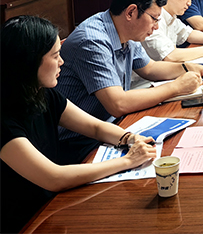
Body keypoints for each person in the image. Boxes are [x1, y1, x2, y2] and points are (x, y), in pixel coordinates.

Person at [1, 16, 157, 233]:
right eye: (55, 56)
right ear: (28, 61)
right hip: (25, 222)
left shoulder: (43, 94)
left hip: (53, 206)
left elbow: (95, 127)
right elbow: (54, 178)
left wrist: (129, 138)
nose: (62, 62)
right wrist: (128, 161)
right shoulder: (5, 119)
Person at [56, 0, 203, 162]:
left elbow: (150, 68)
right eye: (154, 19)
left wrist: (186, 67)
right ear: (131, 12)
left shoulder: (125, 30)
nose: (156, 27)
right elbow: (118, 104)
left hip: (110, 127)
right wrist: (176, 87)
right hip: (78, 141)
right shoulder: (92, 41)